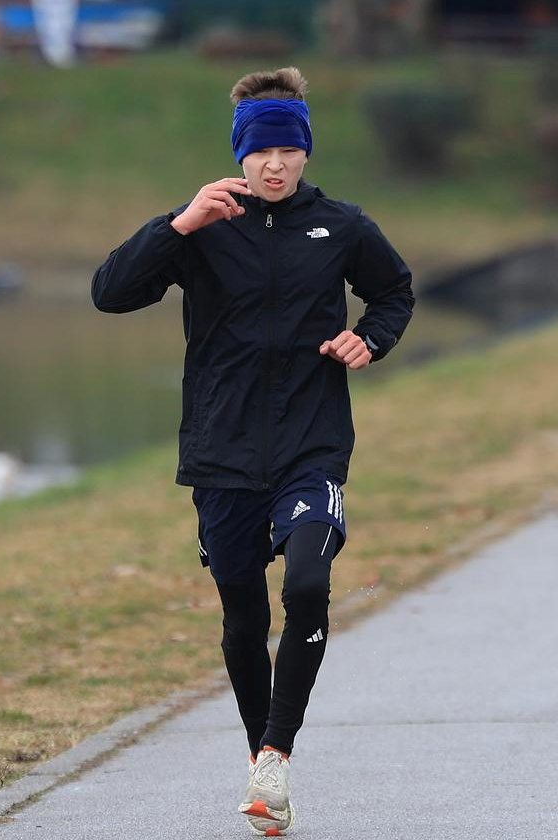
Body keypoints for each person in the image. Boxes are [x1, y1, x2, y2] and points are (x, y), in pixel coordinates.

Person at [91, 67, 415, 836]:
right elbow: (109, 292)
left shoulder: (341, 226)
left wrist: (369, 337)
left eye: (288, 150)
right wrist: (176, 225)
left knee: (306, 582)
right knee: (243, 619)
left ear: (305, 152)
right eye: (261, 151)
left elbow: (394, 291)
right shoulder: (204, 228)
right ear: (240, 154)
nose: (275, 165)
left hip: (312, 443)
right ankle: (260, 764)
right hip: (222, 452)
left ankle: (276, 752)